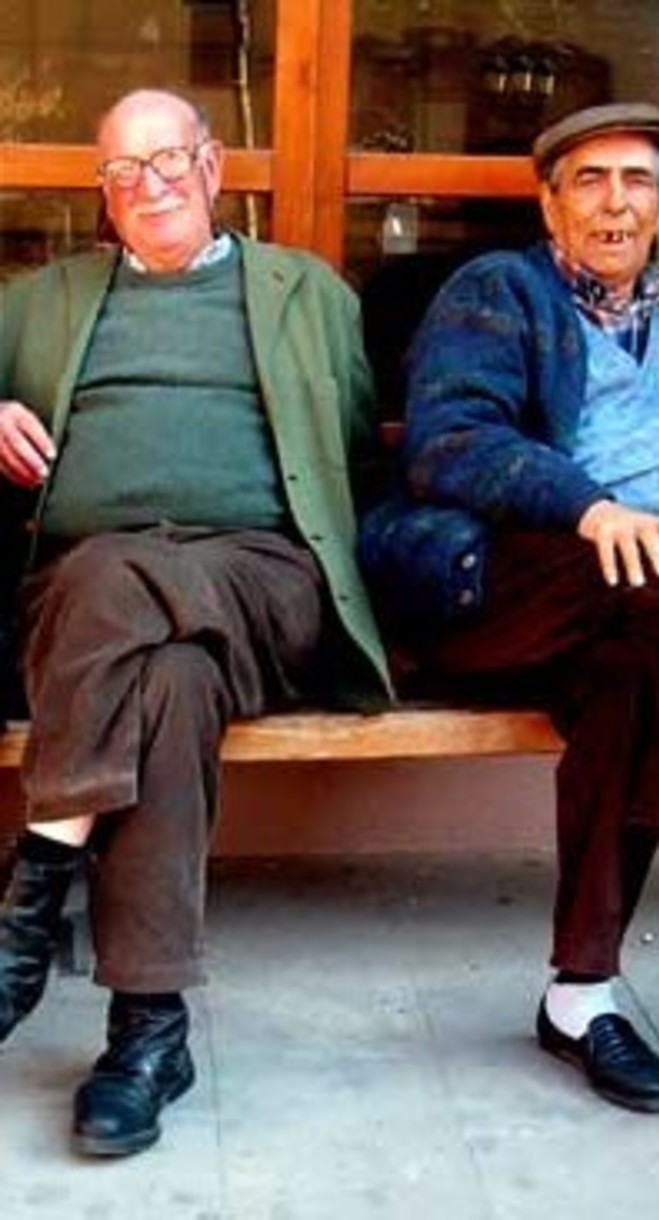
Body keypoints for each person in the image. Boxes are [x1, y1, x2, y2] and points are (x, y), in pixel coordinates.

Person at [359, 101, 659, 1114]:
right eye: (590, 182)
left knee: (628, 690)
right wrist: (589, 506)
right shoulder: (499, 292)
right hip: (487, 595)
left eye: (636, 181)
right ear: (551, 205)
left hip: (628, 621)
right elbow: (450, 441)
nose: (615, 203)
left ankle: (579, 993)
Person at [0, 88, 391, 1157]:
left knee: (118, 574)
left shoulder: (306, 293)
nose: (151, 183)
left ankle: (31, 896)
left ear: (213, 167)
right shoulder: (41, 301)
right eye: (124, 169)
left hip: (261, 581)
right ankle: (148, 1030)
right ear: (103, 192)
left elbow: (357, 458)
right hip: (87, 606)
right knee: (165, 677)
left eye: (169, 159)